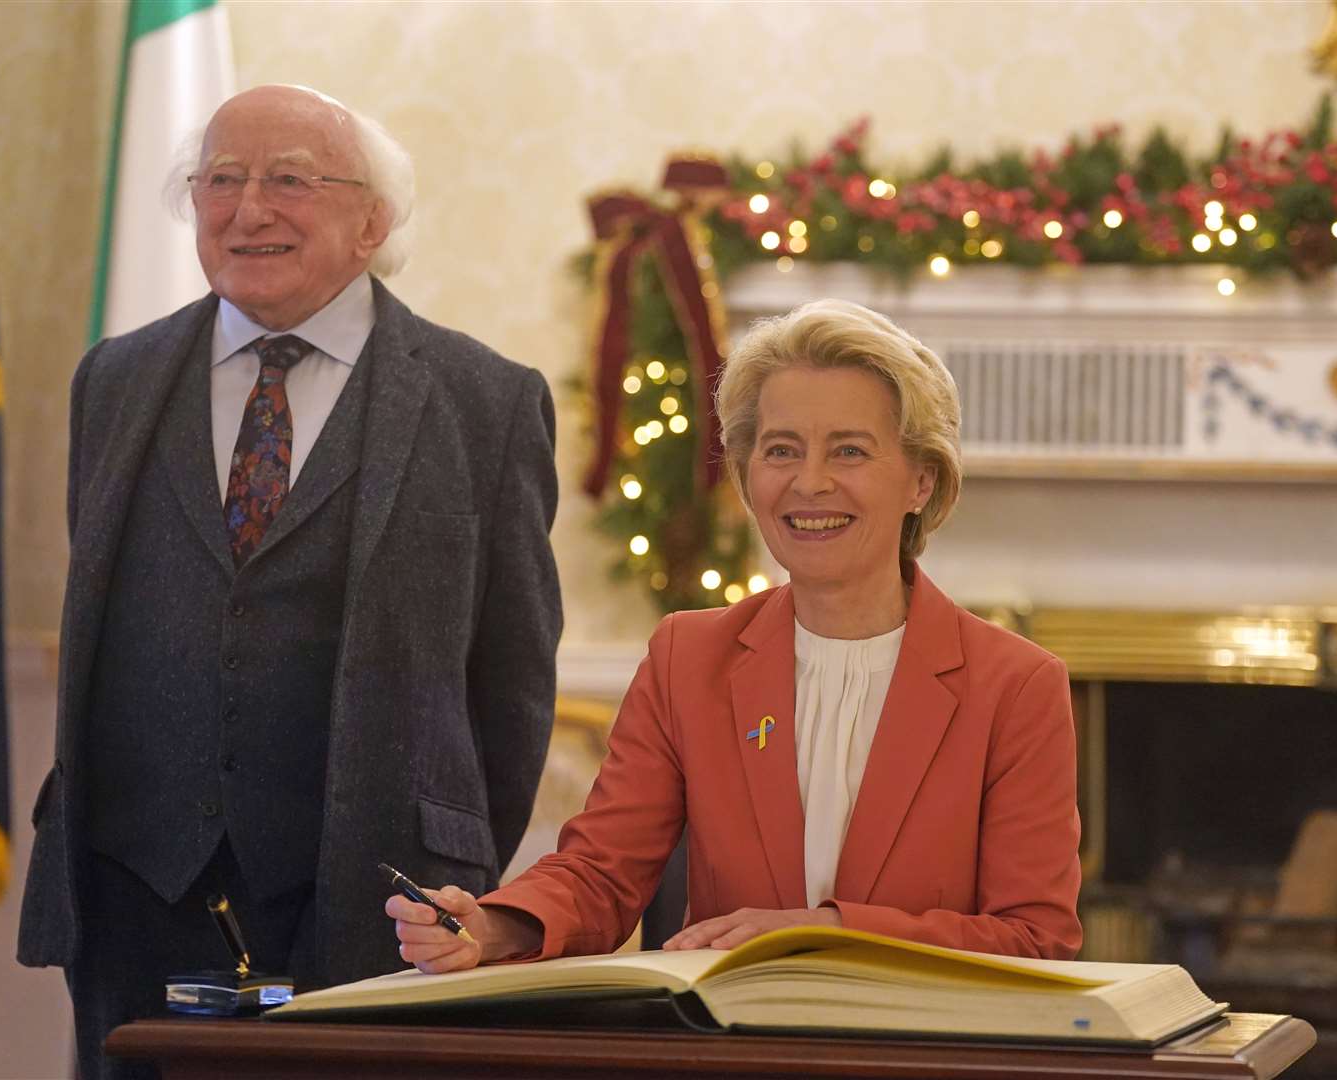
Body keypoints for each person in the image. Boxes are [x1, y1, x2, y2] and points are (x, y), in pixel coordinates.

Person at [17, 85, 561, 1079]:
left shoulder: (484, 400)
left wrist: (454, 871)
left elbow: (512, 682)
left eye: (288, 181)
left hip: (374, 906)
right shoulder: (115, 379)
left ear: (371, 223)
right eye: (220, 180)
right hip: (134, 900)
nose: (247, 208)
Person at [389, 299, 1080, 973]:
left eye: (849, 451)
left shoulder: (1014, 685)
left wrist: (831, 930)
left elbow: (1035, 937)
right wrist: (495, 926)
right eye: (781, 450)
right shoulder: (687, 657)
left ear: (920, 482)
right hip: (731, 1046)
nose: (809, 482)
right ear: (749, 475)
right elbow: (600, 873)